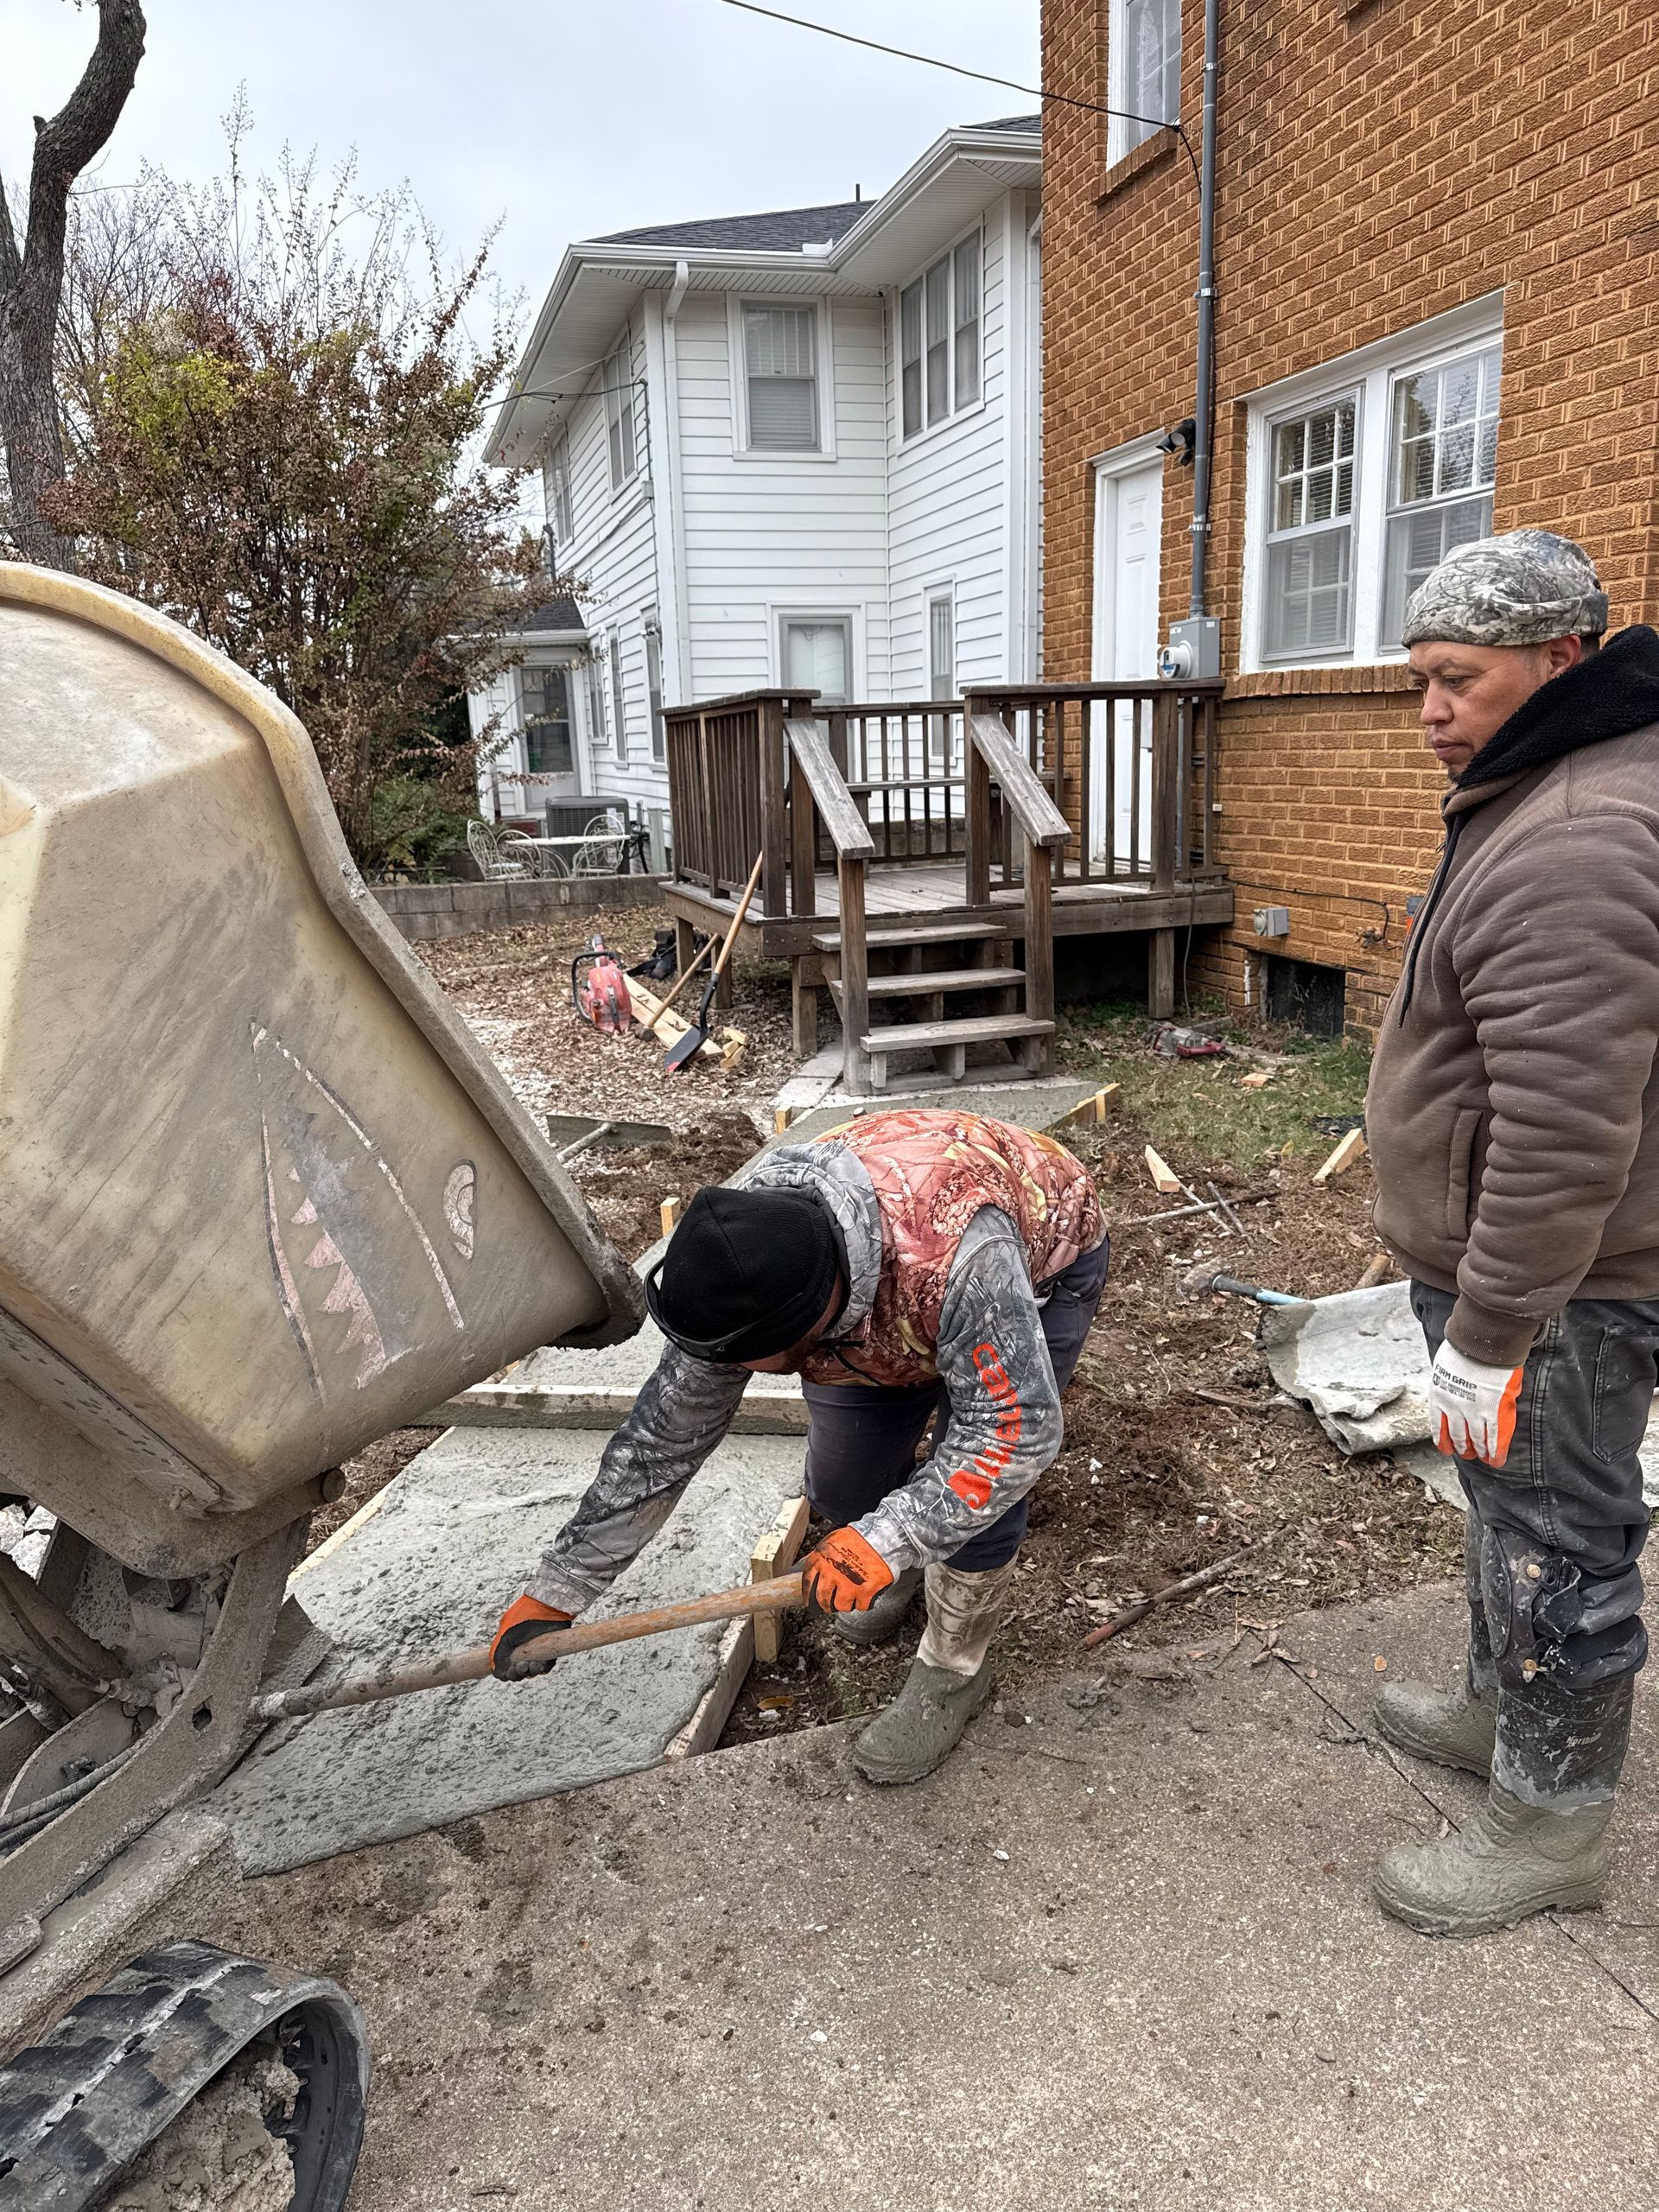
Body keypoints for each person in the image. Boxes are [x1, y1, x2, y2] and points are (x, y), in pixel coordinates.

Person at [490, 1108, 1108, 1784]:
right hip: (884, 1294)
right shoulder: (741, 1271)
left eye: (752, 1361)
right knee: (846, 1487)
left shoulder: (965, 1260)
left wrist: (894, 1535)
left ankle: (952, 1669)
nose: (730, 1373)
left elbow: (1012, 1433)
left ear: (811, 1322)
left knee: (977, 1497)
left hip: (1037, 1252)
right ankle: (895, 1566)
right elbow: (663, 1442)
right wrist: (561, 1587)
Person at [1365, 528, 1659, 1936]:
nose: (1429, 708)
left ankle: (1549, 1826)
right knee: (1513, 1513)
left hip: (1565, 1292)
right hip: (1542, 1277)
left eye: (1455, 678)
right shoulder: (1550, 784)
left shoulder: (1572, 836)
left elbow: (1562, 1133)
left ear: (1561, 661)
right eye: (1417, 679)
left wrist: (1489, 1334)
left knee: (1556, 1536)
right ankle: (1499, 1712)